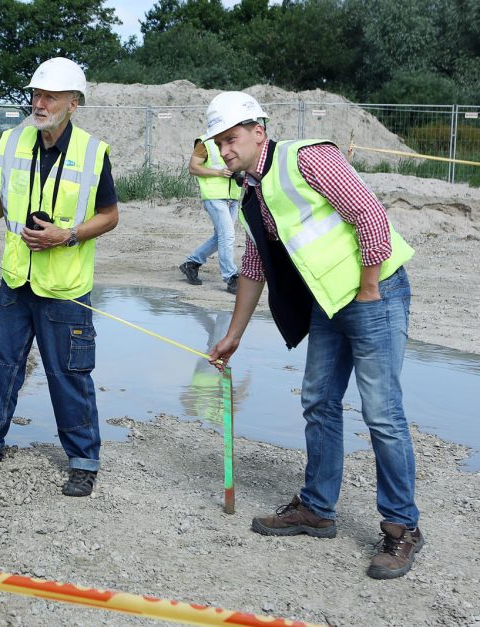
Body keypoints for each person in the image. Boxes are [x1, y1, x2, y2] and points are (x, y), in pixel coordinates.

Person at [204, 91, 423, 580]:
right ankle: (318, 508)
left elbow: (371, 216)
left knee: (382, 413)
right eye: (219, 144)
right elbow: (255, 263)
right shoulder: (251, 192)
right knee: (319, 401)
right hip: (330, 303)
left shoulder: (306, 158)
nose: (225, 151)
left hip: (374, 293)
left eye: (231, 139)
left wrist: (368, 288)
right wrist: (234, 333)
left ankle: (402, 527)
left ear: (258, 131)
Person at [0, 57, 119, 497]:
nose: (39, 104)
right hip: (16, 279)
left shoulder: (92, 153)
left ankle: (83, 460)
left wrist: (68, 234)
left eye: (50, 97)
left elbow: (110, 216)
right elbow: (4, 195)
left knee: (69, 373)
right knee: (2, 364)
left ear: (73, 103)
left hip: (65, 286)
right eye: (36, 95)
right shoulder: (12, 142)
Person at [179, 136, 241, 294]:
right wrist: (218, 173)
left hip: (233, 196)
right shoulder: (205, 143)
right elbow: (193, 168)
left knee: (221, 237)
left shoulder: (235, 138)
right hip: (214, 196)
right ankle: (231, 277)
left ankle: (192, 263)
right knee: (227, 235)